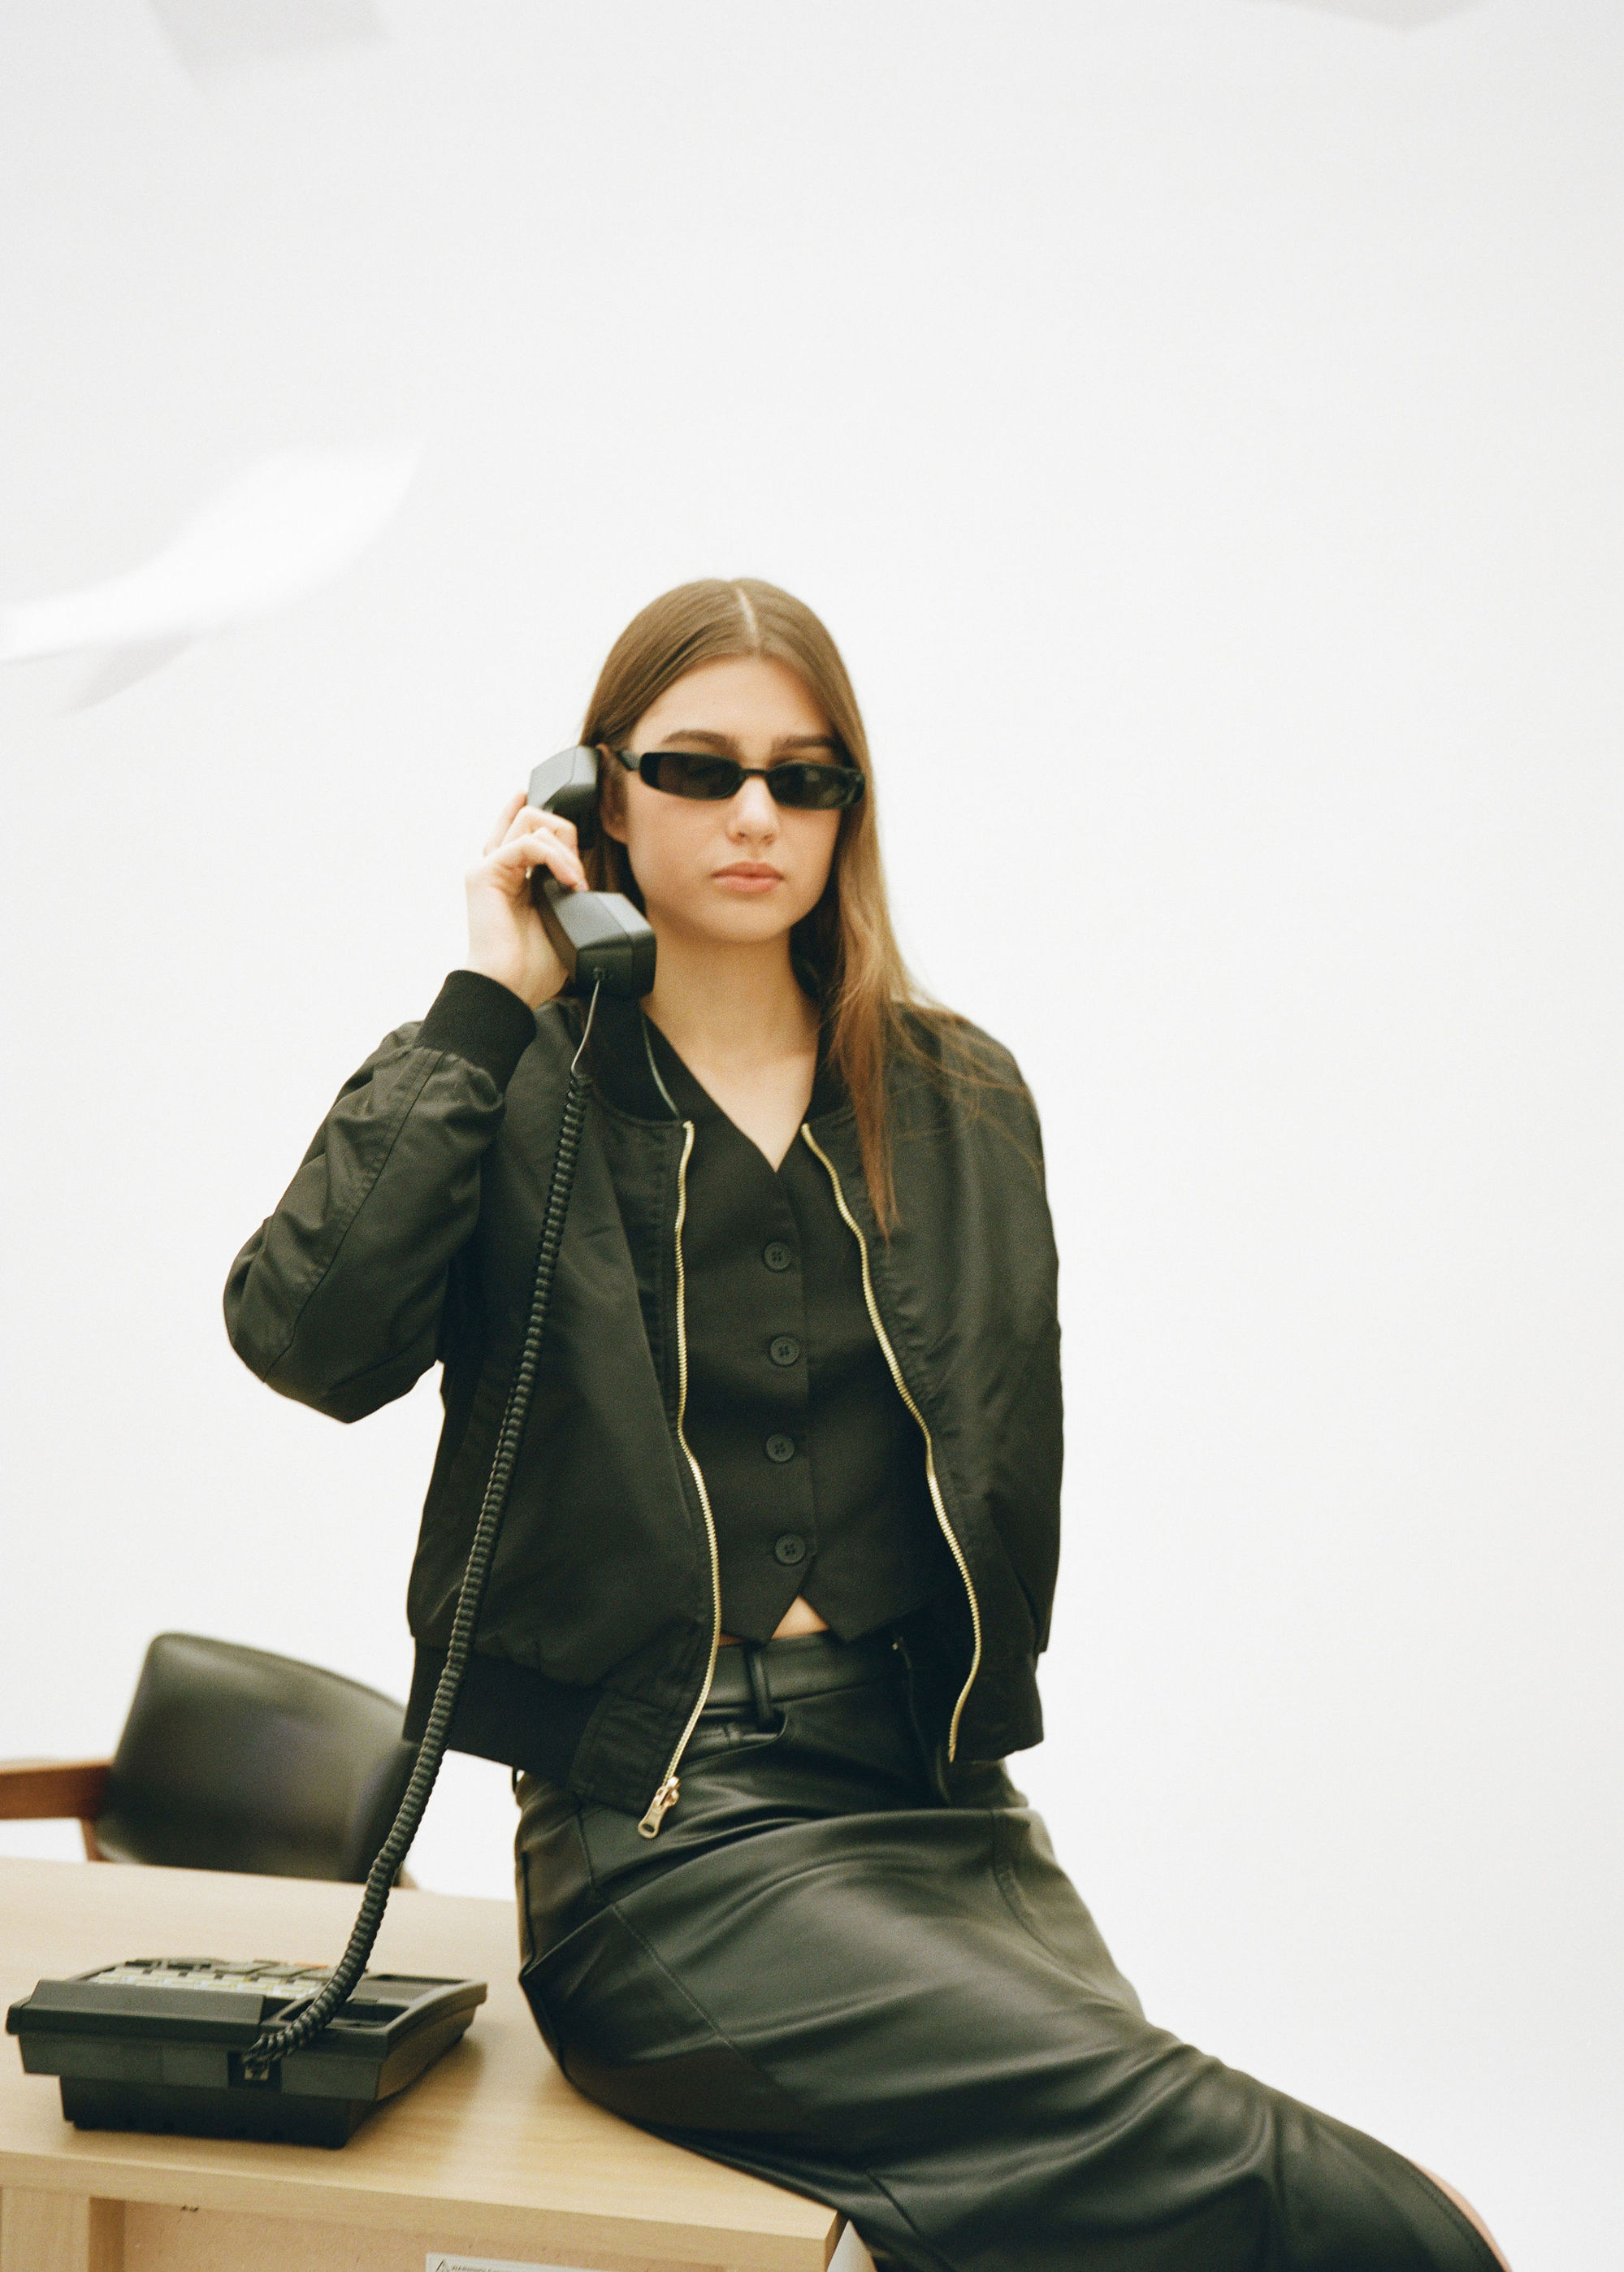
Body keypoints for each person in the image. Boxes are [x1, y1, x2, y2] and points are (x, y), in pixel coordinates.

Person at [225, 579, 1511, 2272]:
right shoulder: (504, 1080)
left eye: (804, 775)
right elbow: (308, 1341)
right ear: (596, 795)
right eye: (698, 769)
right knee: (1304, 2203)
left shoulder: (955, 1096)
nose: (755, 813)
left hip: (934, 1805)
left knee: (1121, 2203)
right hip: (662, 1842)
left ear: (849, 811)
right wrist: (488, 1000)